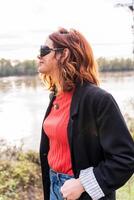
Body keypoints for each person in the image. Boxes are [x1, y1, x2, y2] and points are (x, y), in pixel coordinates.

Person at [38, 28, 134, 200]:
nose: (39, 56)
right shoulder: (55, 96)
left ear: (64, 54)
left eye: (44, 50)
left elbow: (125, 158)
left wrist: (83, 184)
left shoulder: (98, 99)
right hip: (55, 186)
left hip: (79, 192)